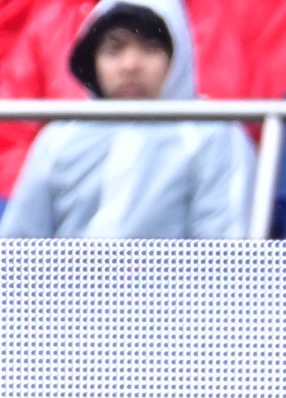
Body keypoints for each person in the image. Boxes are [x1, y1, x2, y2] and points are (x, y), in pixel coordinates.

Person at [0, 0, 253, 238]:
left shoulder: (215, 135)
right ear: (93, 60)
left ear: (178, 54)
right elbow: (17, 247)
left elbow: (225, 252)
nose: (130, 65)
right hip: (66, 272)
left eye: (150, 48)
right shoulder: (60, 139)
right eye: (114, 49)